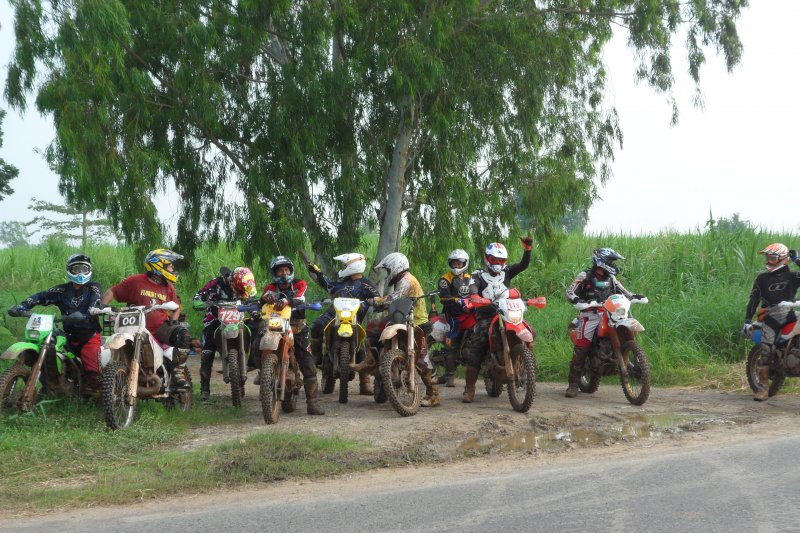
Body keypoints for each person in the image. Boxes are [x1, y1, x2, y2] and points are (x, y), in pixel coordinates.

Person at [8, 254, 103, 392]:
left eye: (84, 269)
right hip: (68, 336)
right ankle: (49, 384)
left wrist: (86, 314)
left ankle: (98, 392)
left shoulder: (93, 287)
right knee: (49, 350)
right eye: (76, 269)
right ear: (69, 270)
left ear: (89, 270)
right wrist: (22, 306)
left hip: (89, 337)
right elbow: (41, 296)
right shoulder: (62, 290)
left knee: (94, 373)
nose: (80, 273)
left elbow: (96, 301)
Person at [100, 248, 191, 388]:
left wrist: (174, 320)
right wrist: (102, 306)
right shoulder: (135, 281)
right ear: (159, 265)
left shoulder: (168, 287)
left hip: (160, 328)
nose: (172, 269)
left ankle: (178, 372)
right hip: (133, 327)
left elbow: (176, 308)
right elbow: (112, 292)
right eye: (170, 266)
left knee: (183, 334)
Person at [564, 247, 645, 398]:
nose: (613, 264)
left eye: (613, 262)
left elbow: (624, 291)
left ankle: (636, 364)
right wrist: (577, 300)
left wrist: (634, 296)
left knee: (628, 330)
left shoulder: (611, 278)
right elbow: (569, 291)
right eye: (611, 261)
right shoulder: (585, 275)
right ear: (601, 260)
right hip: (590, 314)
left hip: (611, 312)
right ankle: (573, 384)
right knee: (581, 347)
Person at [461, 237, 533, 403]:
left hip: (506, 312)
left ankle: (523, 365)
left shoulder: (506, 271)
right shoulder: (478, 275)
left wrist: (528, 249)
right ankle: (469, 388)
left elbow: (523, 265)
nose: (498, 263)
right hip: (486, 315)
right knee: (477, 346)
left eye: (501, 260)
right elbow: (473, 289)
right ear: (487, 258)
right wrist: (476, 296)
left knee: (530, 330)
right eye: (494, 259)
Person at [364, 251, 440, 407]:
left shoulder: (407, 280)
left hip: (415, 323)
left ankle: (434, 394)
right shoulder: (403, 280)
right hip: (403, 320)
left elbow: (393, 299)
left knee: (422, 359)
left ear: (395, 266)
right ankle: (374, 361)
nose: (387, 274)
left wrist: (375, 300)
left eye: (388, 270)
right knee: (371, 327)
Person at [306, 252, 380, 395]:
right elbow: (328, 284)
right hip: (332, 314)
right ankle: (317, 355)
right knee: (316, 326)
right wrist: (318, 273)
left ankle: (365, 383)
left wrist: (377, 301)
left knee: (360, 344)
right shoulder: (341, 282)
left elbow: (378, 297)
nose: (343, 268)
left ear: (353, 265)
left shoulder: (366, 284)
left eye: (345, 265)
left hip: (353, 318)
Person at [259, 255, 324, 415]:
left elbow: (300, 297)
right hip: (274, 323)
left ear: (291, 270)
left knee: (307, 362)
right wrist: (264, 299)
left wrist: (287, 300)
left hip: (296, 325)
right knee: (258, 340)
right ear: (274, 273)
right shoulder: (270, 287)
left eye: (286, 270)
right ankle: (263, 371)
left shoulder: (299, 283)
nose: (284, 273)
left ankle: (312, 403)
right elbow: (261, 300)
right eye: (280, 270)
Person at [744, 244, 800, 401]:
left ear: (783, 259)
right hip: (770, 315)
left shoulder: (793, 276)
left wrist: (797, 260)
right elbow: (754, 299)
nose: (769, 260)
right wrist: (747, 320)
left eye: (772, 257)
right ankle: (762, 388)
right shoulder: (762, 278)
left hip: (789, 312)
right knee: (767, 348)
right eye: (767, 257)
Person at [192, 266, 257, 402]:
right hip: (215, 319)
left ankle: (256, 365)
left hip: (238, 320)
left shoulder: (246, 286)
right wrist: (201, 302)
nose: (241, 293)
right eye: (240, 290)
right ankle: (204, 389)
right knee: (208, 350)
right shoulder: (215, 283)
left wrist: (255, 310)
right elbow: (198, 296)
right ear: (233, 282)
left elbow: (251, 300)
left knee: (256, 330)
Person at [435, 249, 472, 387]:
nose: (456, 266)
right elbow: (443, 297)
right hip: (453, 313)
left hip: (470, 311)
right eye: (454, 263)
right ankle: (450, 374)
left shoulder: (470, 278)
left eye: (459, 263)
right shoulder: (445, 279)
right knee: (454, 338)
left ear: (464, 264)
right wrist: (456, 300)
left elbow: (478, 292)